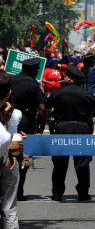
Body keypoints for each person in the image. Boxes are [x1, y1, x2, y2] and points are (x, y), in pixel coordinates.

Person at [46, 66, 95, 201]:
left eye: (65, 76)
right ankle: (83, 192)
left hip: (62, 129)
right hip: (82, 129)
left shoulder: (59, 92)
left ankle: (57, 193)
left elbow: (47, 104)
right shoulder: (87, 93)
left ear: (69, 78)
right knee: (82, 163)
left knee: (59, 163)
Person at [10, 58, 47, 201]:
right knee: (23, 157)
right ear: (32, 70)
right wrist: (41, 128)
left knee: (7, 154)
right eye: (37, 69)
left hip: (8, 120)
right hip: (26, 123)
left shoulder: (11, 80)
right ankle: (19, 191)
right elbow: (42, 109)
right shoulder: (34, 84)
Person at [0, 69, 24, 227]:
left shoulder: (12, 114)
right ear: (9, 93)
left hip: (6, 159)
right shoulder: (16, 114)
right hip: (6, 161)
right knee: (9, 208)